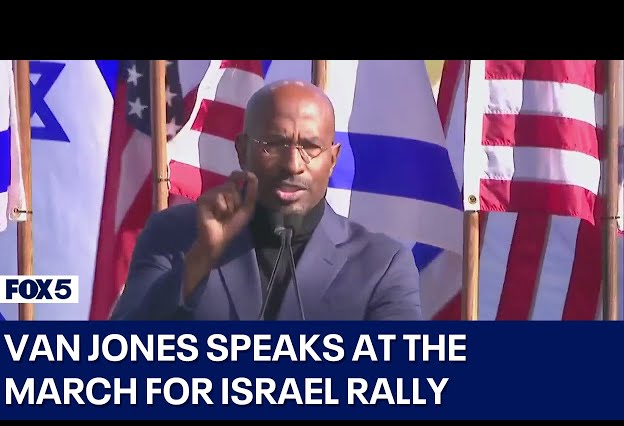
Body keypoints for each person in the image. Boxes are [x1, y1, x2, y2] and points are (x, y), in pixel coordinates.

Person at [110, 80, 423, 320]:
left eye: (311, 147)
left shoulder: (381, 264)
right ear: (242, 150)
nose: (292, 164)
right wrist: (202, 256)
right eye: (274, 144)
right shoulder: (175, 234)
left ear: (333, 159)